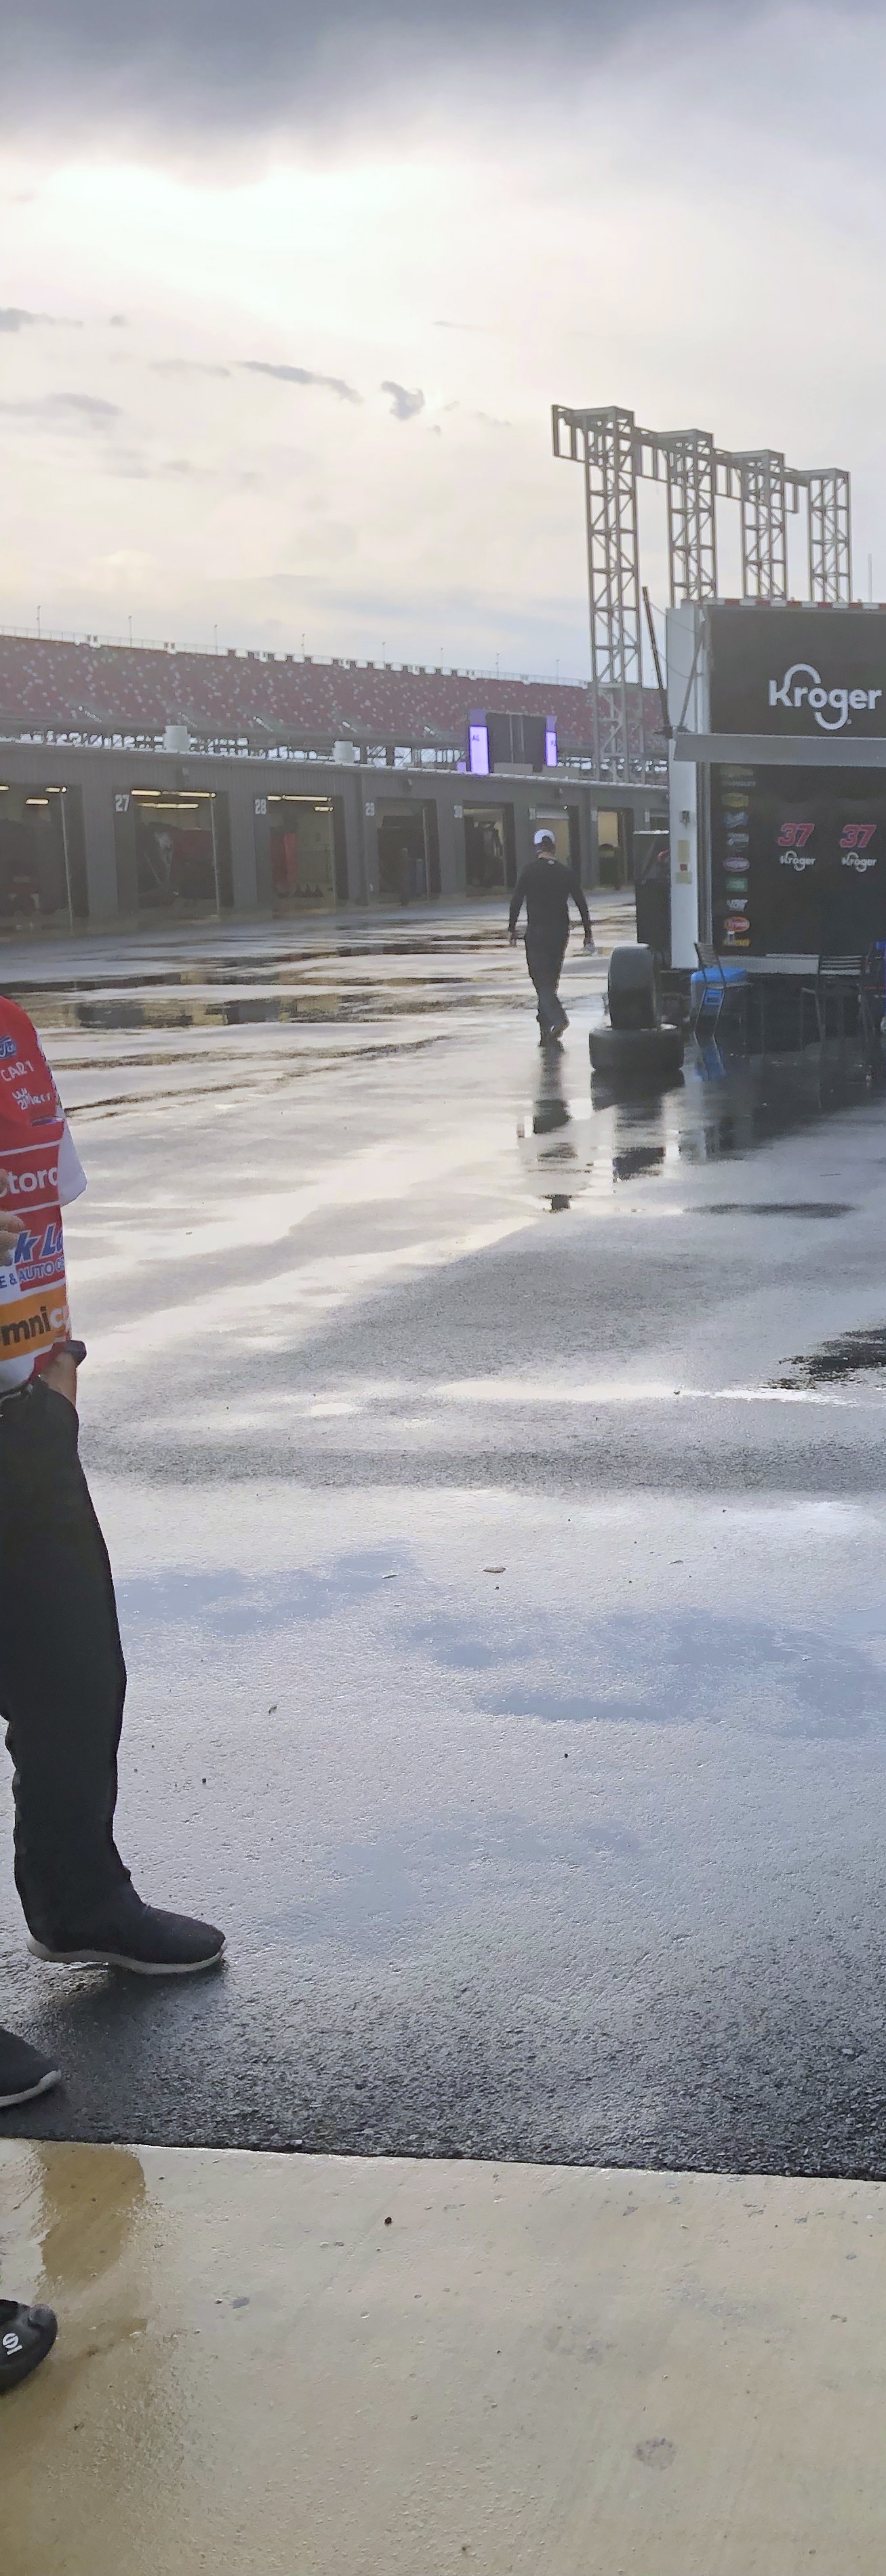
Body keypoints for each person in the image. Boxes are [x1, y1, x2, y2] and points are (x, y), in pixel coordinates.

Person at [0, 991, 226, 2393]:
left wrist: (55, 1374)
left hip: (24, 1416)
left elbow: (42, 1205)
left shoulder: (11, 1033)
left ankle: (82, 1899)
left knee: (74, 1671)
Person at [507, 831, 593, 1044]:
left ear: (537, 847)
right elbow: (581, 903)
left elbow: (517, 900)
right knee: (551, 980)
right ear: (553, 847)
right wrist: (588, 934)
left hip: (537, 932)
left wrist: (512, 928)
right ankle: (545, 1026)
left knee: (540, 979)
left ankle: (558, 1018)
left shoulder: (529, 871)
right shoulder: (566, 873)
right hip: (560, 933)